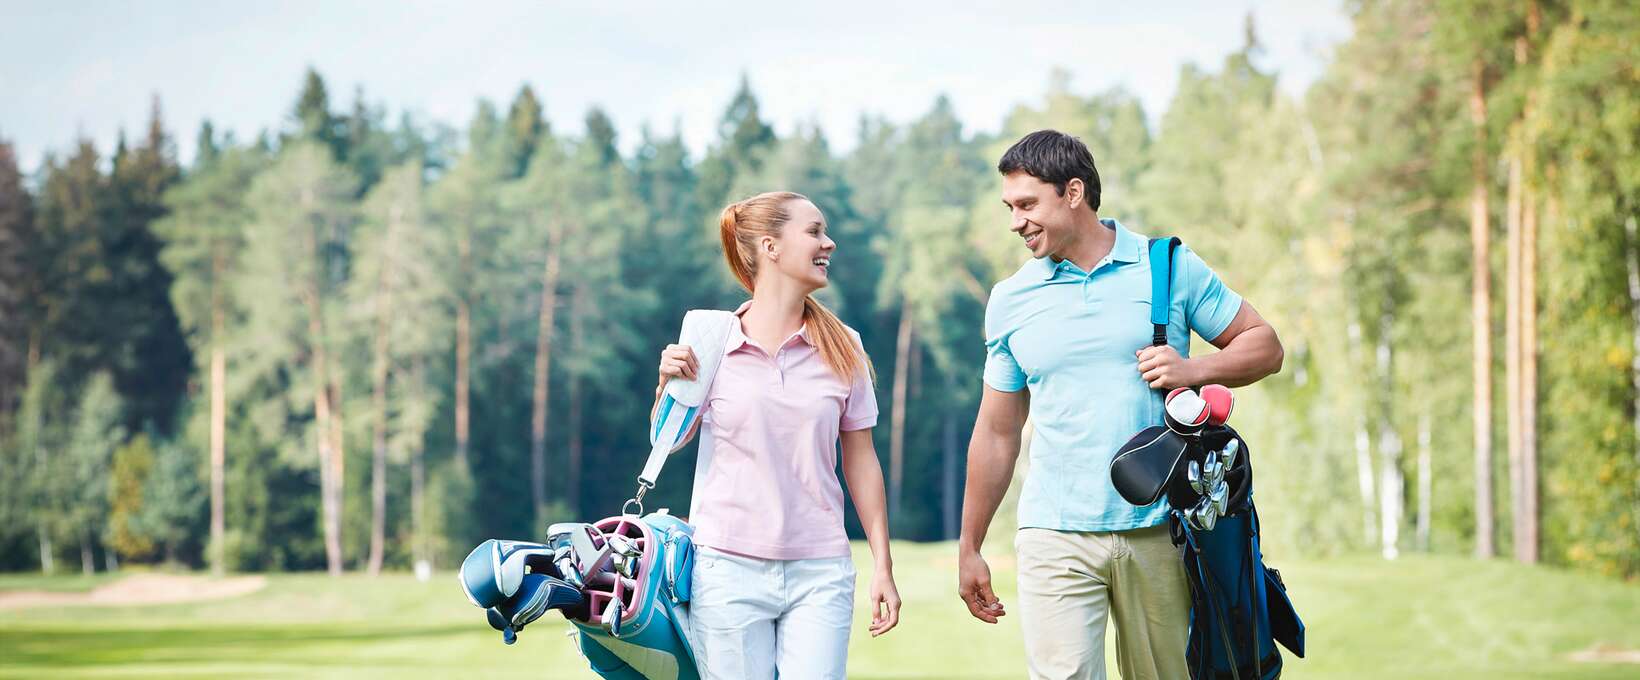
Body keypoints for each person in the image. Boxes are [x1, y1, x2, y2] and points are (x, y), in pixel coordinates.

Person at [955, 130, 1284, 680]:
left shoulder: (1167, 266)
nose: (1016, 221)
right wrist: (969, 544)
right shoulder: (1010, 299)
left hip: (1161, 529)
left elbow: (1265, 345)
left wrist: (1194, 369)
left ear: (1074, 192)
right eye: (1009, 207)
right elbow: (996, 431)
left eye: (1028, 204)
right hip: (1053, 532)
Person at [654, 191, 901, 680]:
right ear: (770, 246)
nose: (828, 243)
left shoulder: (845, 346)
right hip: (726, 568)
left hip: (821, 570)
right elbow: (668, 441)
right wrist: (665, 386)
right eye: (814, 232)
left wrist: (883, 565)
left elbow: (861, 461)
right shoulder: (711, 339)